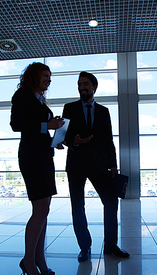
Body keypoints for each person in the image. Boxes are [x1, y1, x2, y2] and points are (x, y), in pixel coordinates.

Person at [63, 71, 129, 262]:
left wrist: (114, 165)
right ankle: (84, 247)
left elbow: (108, 140)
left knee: (111, 203)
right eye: (79, 84)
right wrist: (74, 141)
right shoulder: (69, 108)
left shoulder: (103, 111)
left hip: (100, 165)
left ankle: (110, 245)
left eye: (85, 84)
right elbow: (64, 136)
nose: (82, 87)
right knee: (77, 205)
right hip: (76, 164)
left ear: (94, 87)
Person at [10, 62, 64, 275]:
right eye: (45, 75)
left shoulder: (40, 99)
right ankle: (28, 262)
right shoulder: (22, 94)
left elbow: (39, 127)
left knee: (44, 209)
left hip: (43, 155)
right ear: (33, 76)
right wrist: (47, 126)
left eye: (50, 76)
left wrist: (54, 139)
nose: (48, 80)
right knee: (40, 209)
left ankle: (39, 259)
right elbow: (16, 124)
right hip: (32, 157)